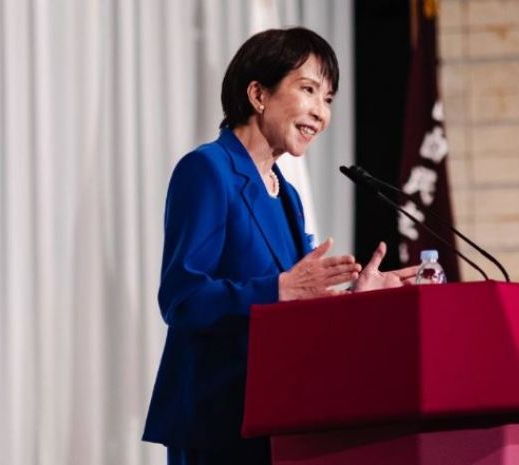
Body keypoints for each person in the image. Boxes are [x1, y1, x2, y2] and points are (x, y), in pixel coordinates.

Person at [142, 27, 418, 465]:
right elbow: (182, 298)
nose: (321, 112)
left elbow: (295, 308)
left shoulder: (286, 194)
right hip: (217, 422)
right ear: (258, 94)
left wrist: (356, 299)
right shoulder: (208, 170)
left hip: (277, 414)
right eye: (308, 90)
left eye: (328, 98)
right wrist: (280, 289)